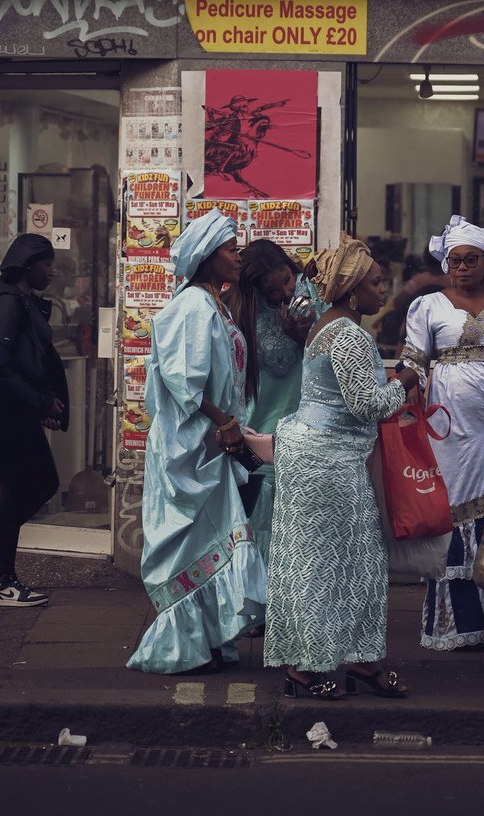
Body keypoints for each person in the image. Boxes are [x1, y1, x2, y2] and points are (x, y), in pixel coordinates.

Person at [263, 234, 420, 699]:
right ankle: (311, 669)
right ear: (353, 291)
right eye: (375, 284)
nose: (383, 292)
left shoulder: (325, 326)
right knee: (336, 564)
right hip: (327, 460)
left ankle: (350, 661)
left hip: (313, 454)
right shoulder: (349, 335)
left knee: (325, 562)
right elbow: (366, 405)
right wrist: (408, 380)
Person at [127, 211, 266, 675]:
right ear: (208, 259)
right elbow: (185, 380)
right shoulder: (192, 307)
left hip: (208, 444)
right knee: (192, 541)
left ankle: (208, 640)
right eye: (231, 250)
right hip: (189, 445)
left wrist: (228, 424)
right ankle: (180, 645)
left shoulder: (215, 304)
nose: (238, 256)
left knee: (216, 537)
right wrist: (223, 420)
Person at [399, 215, 484, 652]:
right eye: (455, 259)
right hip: (448, 431)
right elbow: (414, 364)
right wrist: (385, 400)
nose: (461, 267)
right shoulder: (427, 306)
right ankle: (451, 625)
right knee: (453, 515)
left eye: (471, 259)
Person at [0, 233, 69, 608]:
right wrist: (39, 401)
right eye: (47, 264)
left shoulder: (21, 302)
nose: (51, 271)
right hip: (2, 409)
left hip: (14, 408)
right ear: (28, 266)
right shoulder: (8, 305)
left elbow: (27, 361)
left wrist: (41, 406)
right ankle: (1, 576)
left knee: (32, 485)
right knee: (29, 486)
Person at [228, 239, 325, 561]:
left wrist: (302, 333)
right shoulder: (243, 313)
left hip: (307, 434)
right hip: (260, 438)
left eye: (287, 279)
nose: (285, 292)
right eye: (273, 289)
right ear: (256, 291)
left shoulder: (315, 295)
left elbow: (330, 362)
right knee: (258, 536)